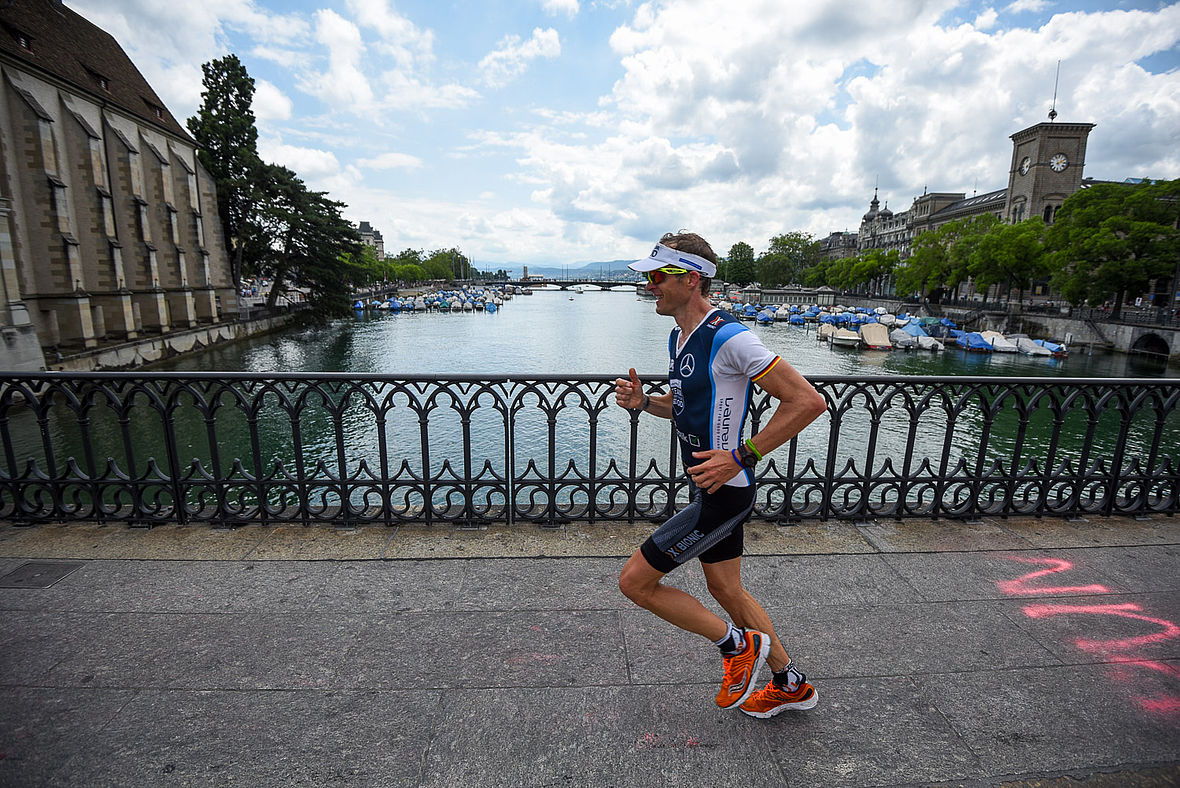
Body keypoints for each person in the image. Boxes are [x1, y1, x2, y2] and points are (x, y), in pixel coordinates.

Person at [614, 232, 827, 719]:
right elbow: (690, 409)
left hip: (724, 494)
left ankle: (736, 647)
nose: (650, 285)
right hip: (711, 484)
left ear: (690, 279)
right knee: (726, 589)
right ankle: (789, 682)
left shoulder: (729, 336)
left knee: (635, 583)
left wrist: (742, 455)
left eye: (657, 276)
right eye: (649, 276)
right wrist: (646, 403)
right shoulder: (681, 335)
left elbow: (807, 401)